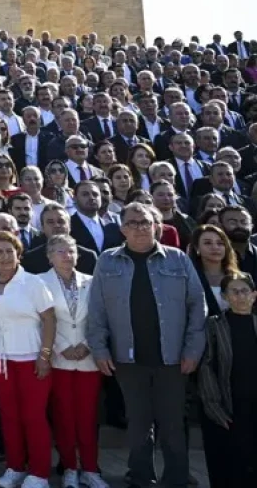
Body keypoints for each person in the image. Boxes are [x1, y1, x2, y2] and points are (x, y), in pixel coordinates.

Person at [87, 202, 207, 488]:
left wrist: (193, 350)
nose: (140, 227)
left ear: (157, 226)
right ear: (123, 228)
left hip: (173, 357)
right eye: (133, 222)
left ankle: (176, 477)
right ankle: (140, 476)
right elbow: (97, 311)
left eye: (145, 222)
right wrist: (100, 350)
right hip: (128, 358)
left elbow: (197, 308)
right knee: (138, 423)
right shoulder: (107, 261)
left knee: (172, 423)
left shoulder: (178, 259)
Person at [0, 229, 56, 488]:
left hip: (31, 358)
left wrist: (44, 356)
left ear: (18, 253)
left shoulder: (34, 283)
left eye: (9, 251)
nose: (4, 256)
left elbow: (49, 319)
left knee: (33, 416)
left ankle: (39, 473)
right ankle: (14, 466)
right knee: (8, 415)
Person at [197, 271, 257, 488]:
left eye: (245, 291)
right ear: (224, 296)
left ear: (254, 294)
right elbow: (207, 367)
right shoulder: (214, 325)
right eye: (234, 291)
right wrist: (214, 407)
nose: (241, 296)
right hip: (228, 404)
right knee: (232, 466)